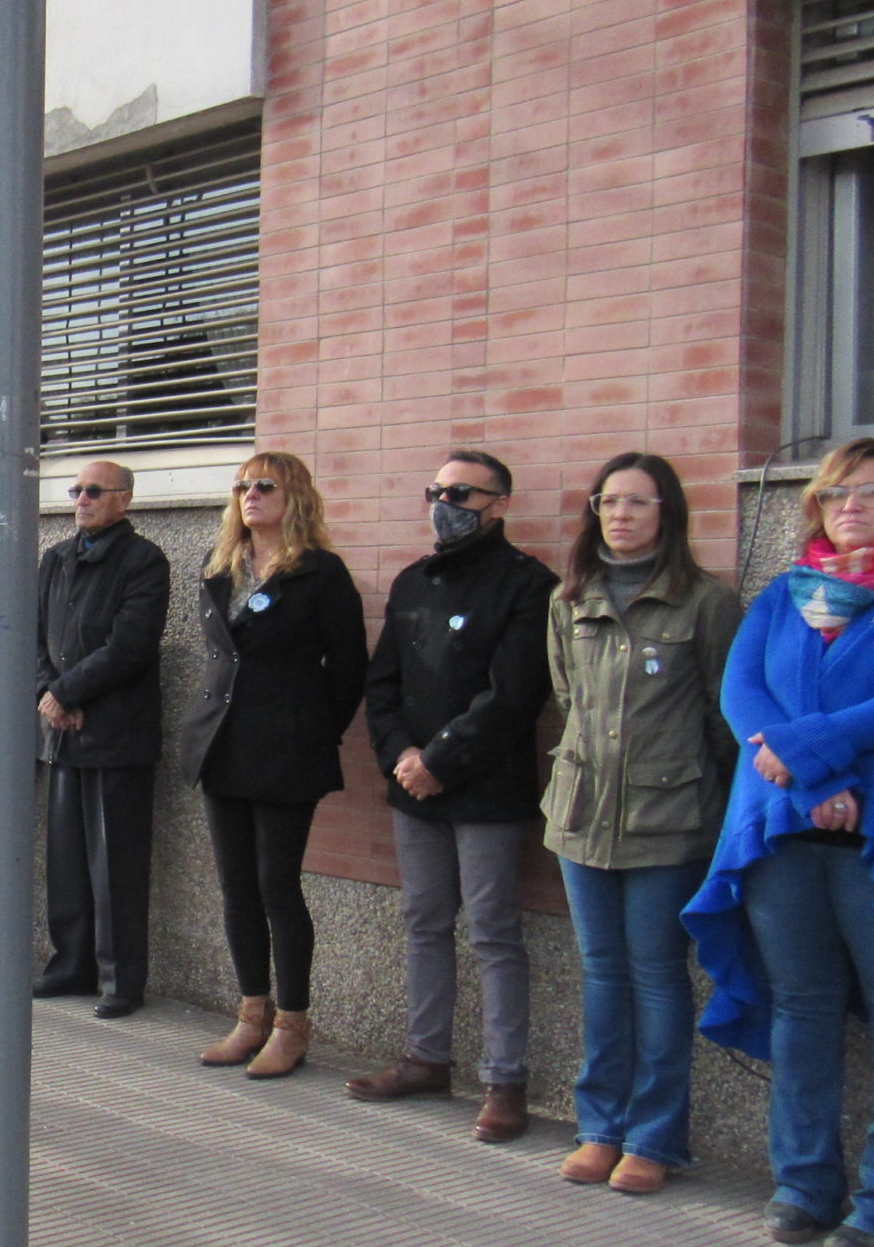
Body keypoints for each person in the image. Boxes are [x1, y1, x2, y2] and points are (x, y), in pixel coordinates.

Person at [683, 439, 874, 1247]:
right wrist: (810, 784)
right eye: (836, 494)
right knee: (802, 1005)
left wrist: (814, 751)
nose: (851, 507)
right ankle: (804, 1184)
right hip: (784, 834)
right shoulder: (785, 594)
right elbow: (743, 694)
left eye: (870, 493)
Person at [539, 452, 740, 1194]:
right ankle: (599, 1127)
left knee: (657, 976)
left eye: (638, 503)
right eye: (608, 501)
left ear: (668, 513)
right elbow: (568, 698)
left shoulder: (705, 602)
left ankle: (654, 1138)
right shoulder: (570, 599)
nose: (620, 515)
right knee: (601, 972)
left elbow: (726, 720)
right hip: (583, 814)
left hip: (668, 818)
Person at [351, 450, 558, 1143]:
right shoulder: (412, 581)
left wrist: (441, 758)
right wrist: (403, 757)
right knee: (424, 922)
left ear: (499, 502)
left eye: (461, 491)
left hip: (486, 789)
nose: (445, 501)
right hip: (415, 789)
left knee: (495, 931)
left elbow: (515, 693)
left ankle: (505, 1081)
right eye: (435, 489)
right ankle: (426, 1057)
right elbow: (383, 686)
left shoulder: (529, 585)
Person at [180, 454, 368, 1078]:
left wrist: (308, 731)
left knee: (275, 886)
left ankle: (292, 1023)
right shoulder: (221, 567)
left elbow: (347, 673)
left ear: (296, 497)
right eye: (241, 487)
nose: (250, 495)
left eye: (265, 486)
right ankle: (250, 1013)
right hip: (222, 745)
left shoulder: (320, 573)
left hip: (285, 752)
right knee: (235, 887)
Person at [34, 461, 171, 1019]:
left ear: (125, 500)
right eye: (76, 491)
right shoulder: (56, 558)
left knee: (115, 861)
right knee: (66, 857)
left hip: (116, 733)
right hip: (63, 734)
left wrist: (68, 693)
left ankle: (121, 979)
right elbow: (35, 635)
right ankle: (72, 964)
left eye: (95, 491)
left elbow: (131, 644)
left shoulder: (143, 560)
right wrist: (49, 692)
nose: (83, 499)